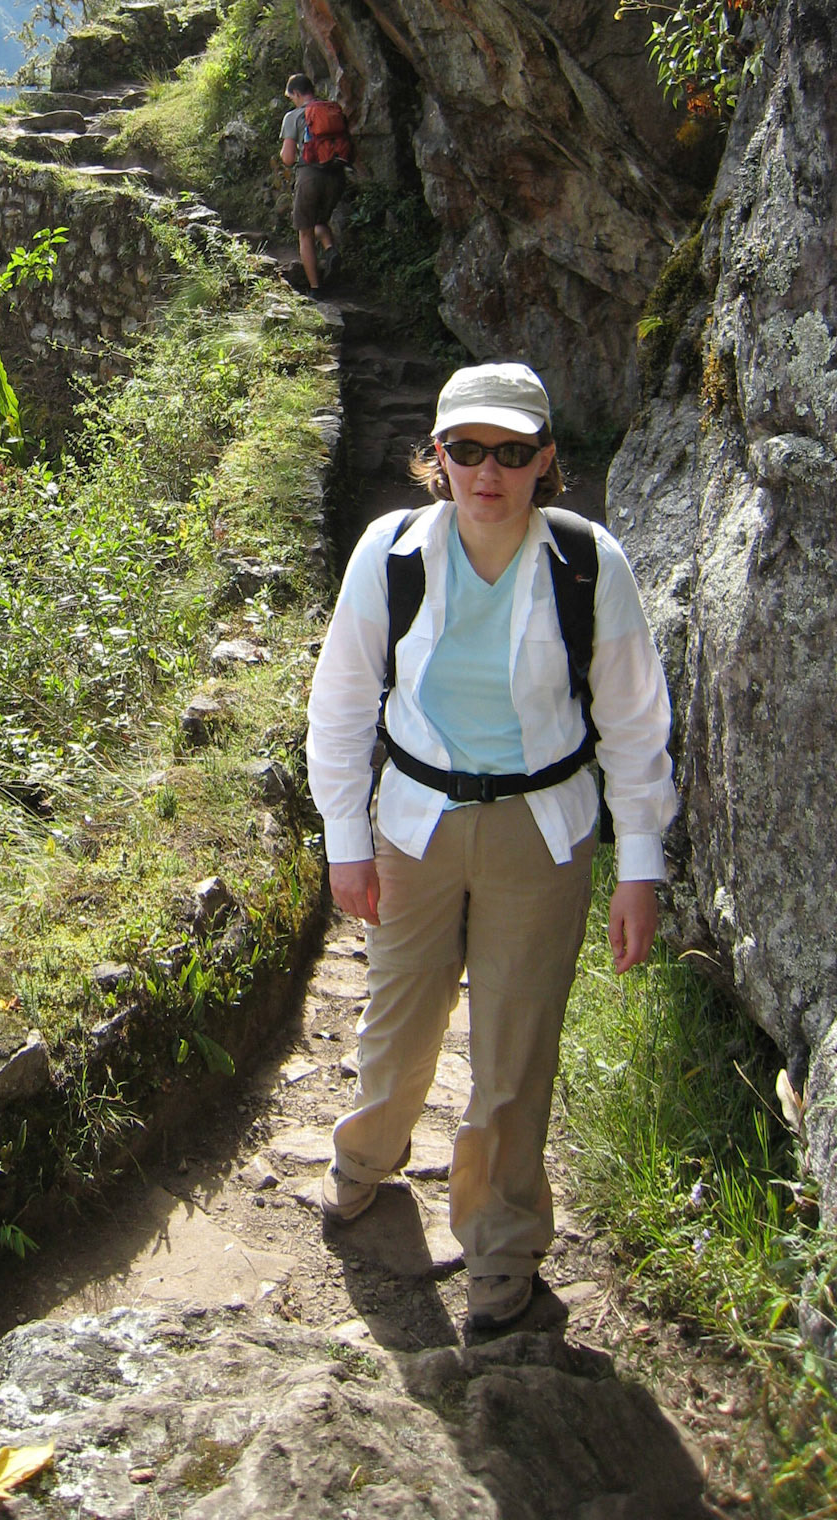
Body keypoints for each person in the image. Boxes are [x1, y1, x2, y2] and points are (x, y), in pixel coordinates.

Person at [306, 361, 674, 1332]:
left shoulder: (587, 564)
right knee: (400, 1009)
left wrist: (640, 865)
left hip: (542, 829)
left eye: (513, 451)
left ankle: (503, 1244)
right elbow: (343, 699)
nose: (488, 470)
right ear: (437, 455)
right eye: (466, 448)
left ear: (545, 460)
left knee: (516, 1044)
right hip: (415, 820)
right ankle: (363, 1162)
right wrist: (348, 840)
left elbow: (636, 723)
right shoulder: (393, 553)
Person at [279, 72, 354, 297]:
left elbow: (288, 158)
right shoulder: (332, 109)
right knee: (319, 220)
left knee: (305, 232)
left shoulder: (293, 117)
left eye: (291, 96)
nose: (291, 100)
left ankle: (315, 288)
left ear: (297, 93)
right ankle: (330, 249)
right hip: (337, 175)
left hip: (310, 175)